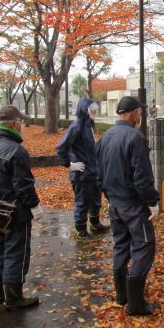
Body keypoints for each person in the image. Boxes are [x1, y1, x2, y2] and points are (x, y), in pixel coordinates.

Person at [96, 96, 160, 316]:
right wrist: (152, 202)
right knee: (144, 246)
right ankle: (135, 304)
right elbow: (142, 177)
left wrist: (109, 196)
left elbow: (99, 173)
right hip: (133, 205)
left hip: (115, 204)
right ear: (134, 113)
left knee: (121, 245)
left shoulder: (105, 137)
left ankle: (121, 295)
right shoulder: (135, 137)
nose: (140, 117)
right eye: (139, 113)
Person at [0, 106, 41, 310]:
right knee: (16, 252)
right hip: (15, 213)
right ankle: (13, 296)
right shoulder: (16, 150)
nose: (22, 125)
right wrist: (35, 206)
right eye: (21, 122)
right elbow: (23, 186)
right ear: (14, 123)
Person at [56, 98, 109, 241]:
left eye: (96, 110)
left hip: (92, 172)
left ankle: (95, 224)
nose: (95, 113)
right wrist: (70, 164)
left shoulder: (88, 125)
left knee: (95, 200)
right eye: (93, 110)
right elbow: (61, 147)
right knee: (82, 203)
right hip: (81, 174)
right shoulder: (77, 127)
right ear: (85, 110)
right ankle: (81, 232)